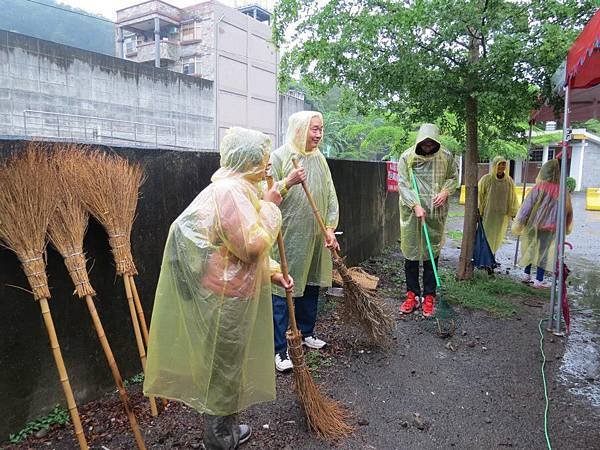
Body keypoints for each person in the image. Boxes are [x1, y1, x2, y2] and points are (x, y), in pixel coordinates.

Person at [143, 127, 294, 450]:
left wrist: (273, 273)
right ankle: (219, 441)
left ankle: (226, 429)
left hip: (233, 291)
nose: (268, 167)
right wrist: (271, 206)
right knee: (222, 372)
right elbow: (251, 247)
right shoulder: (230, 192)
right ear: (249, 159)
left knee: (228, 369)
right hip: (225, 298)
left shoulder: (238, 189)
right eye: (264, 160)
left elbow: (239, 250)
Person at [269, 111, 340, 372]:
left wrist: (330, 228)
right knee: (283, 287)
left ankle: (306, 332)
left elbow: (330, 194)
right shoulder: (280, 157)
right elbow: (268, 195)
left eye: (321, 129)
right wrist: (288, 181)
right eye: (314, 129)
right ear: (300, 129)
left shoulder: (319, 159)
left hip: (314, 236)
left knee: (311, 283)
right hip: (287, 237)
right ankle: (279, 349)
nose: (319, 134)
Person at [397, 123, 458, 317]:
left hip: (435, 213)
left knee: (432, 256)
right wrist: (415, 205)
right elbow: (403, 183)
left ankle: (429, 295)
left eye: (432, 144)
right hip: (412, 213)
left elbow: (453, 177)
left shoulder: (446, 157)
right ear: (419, 142)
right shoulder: (407, 157)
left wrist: (445, 192)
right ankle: (412, 295)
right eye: (425, 144)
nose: (428, 147)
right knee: (412, 255)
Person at [512, 159, 573, 289]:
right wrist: (566, 226)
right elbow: (568, 211)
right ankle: (539, 280)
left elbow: (527, 206)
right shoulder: (563, 190)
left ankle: (526, 274)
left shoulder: (539, 187)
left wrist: (520, 222)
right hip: (551, 227)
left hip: (535, 224)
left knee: (530, 247)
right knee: (543, 252)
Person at [478, 156, 520, 257]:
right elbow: (480, 195)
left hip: (501, 215)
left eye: (504, 164)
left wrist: (514, 212)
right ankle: (484, 258)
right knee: (487, 235)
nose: (501, 166)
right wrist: (479, 211)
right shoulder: (486, 179)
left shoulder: (509, 181)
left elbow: (512, 197)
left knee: (497, 236)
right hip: (488, 214)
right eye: (499, 164)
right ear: (494, 165)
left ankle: (492, 257)